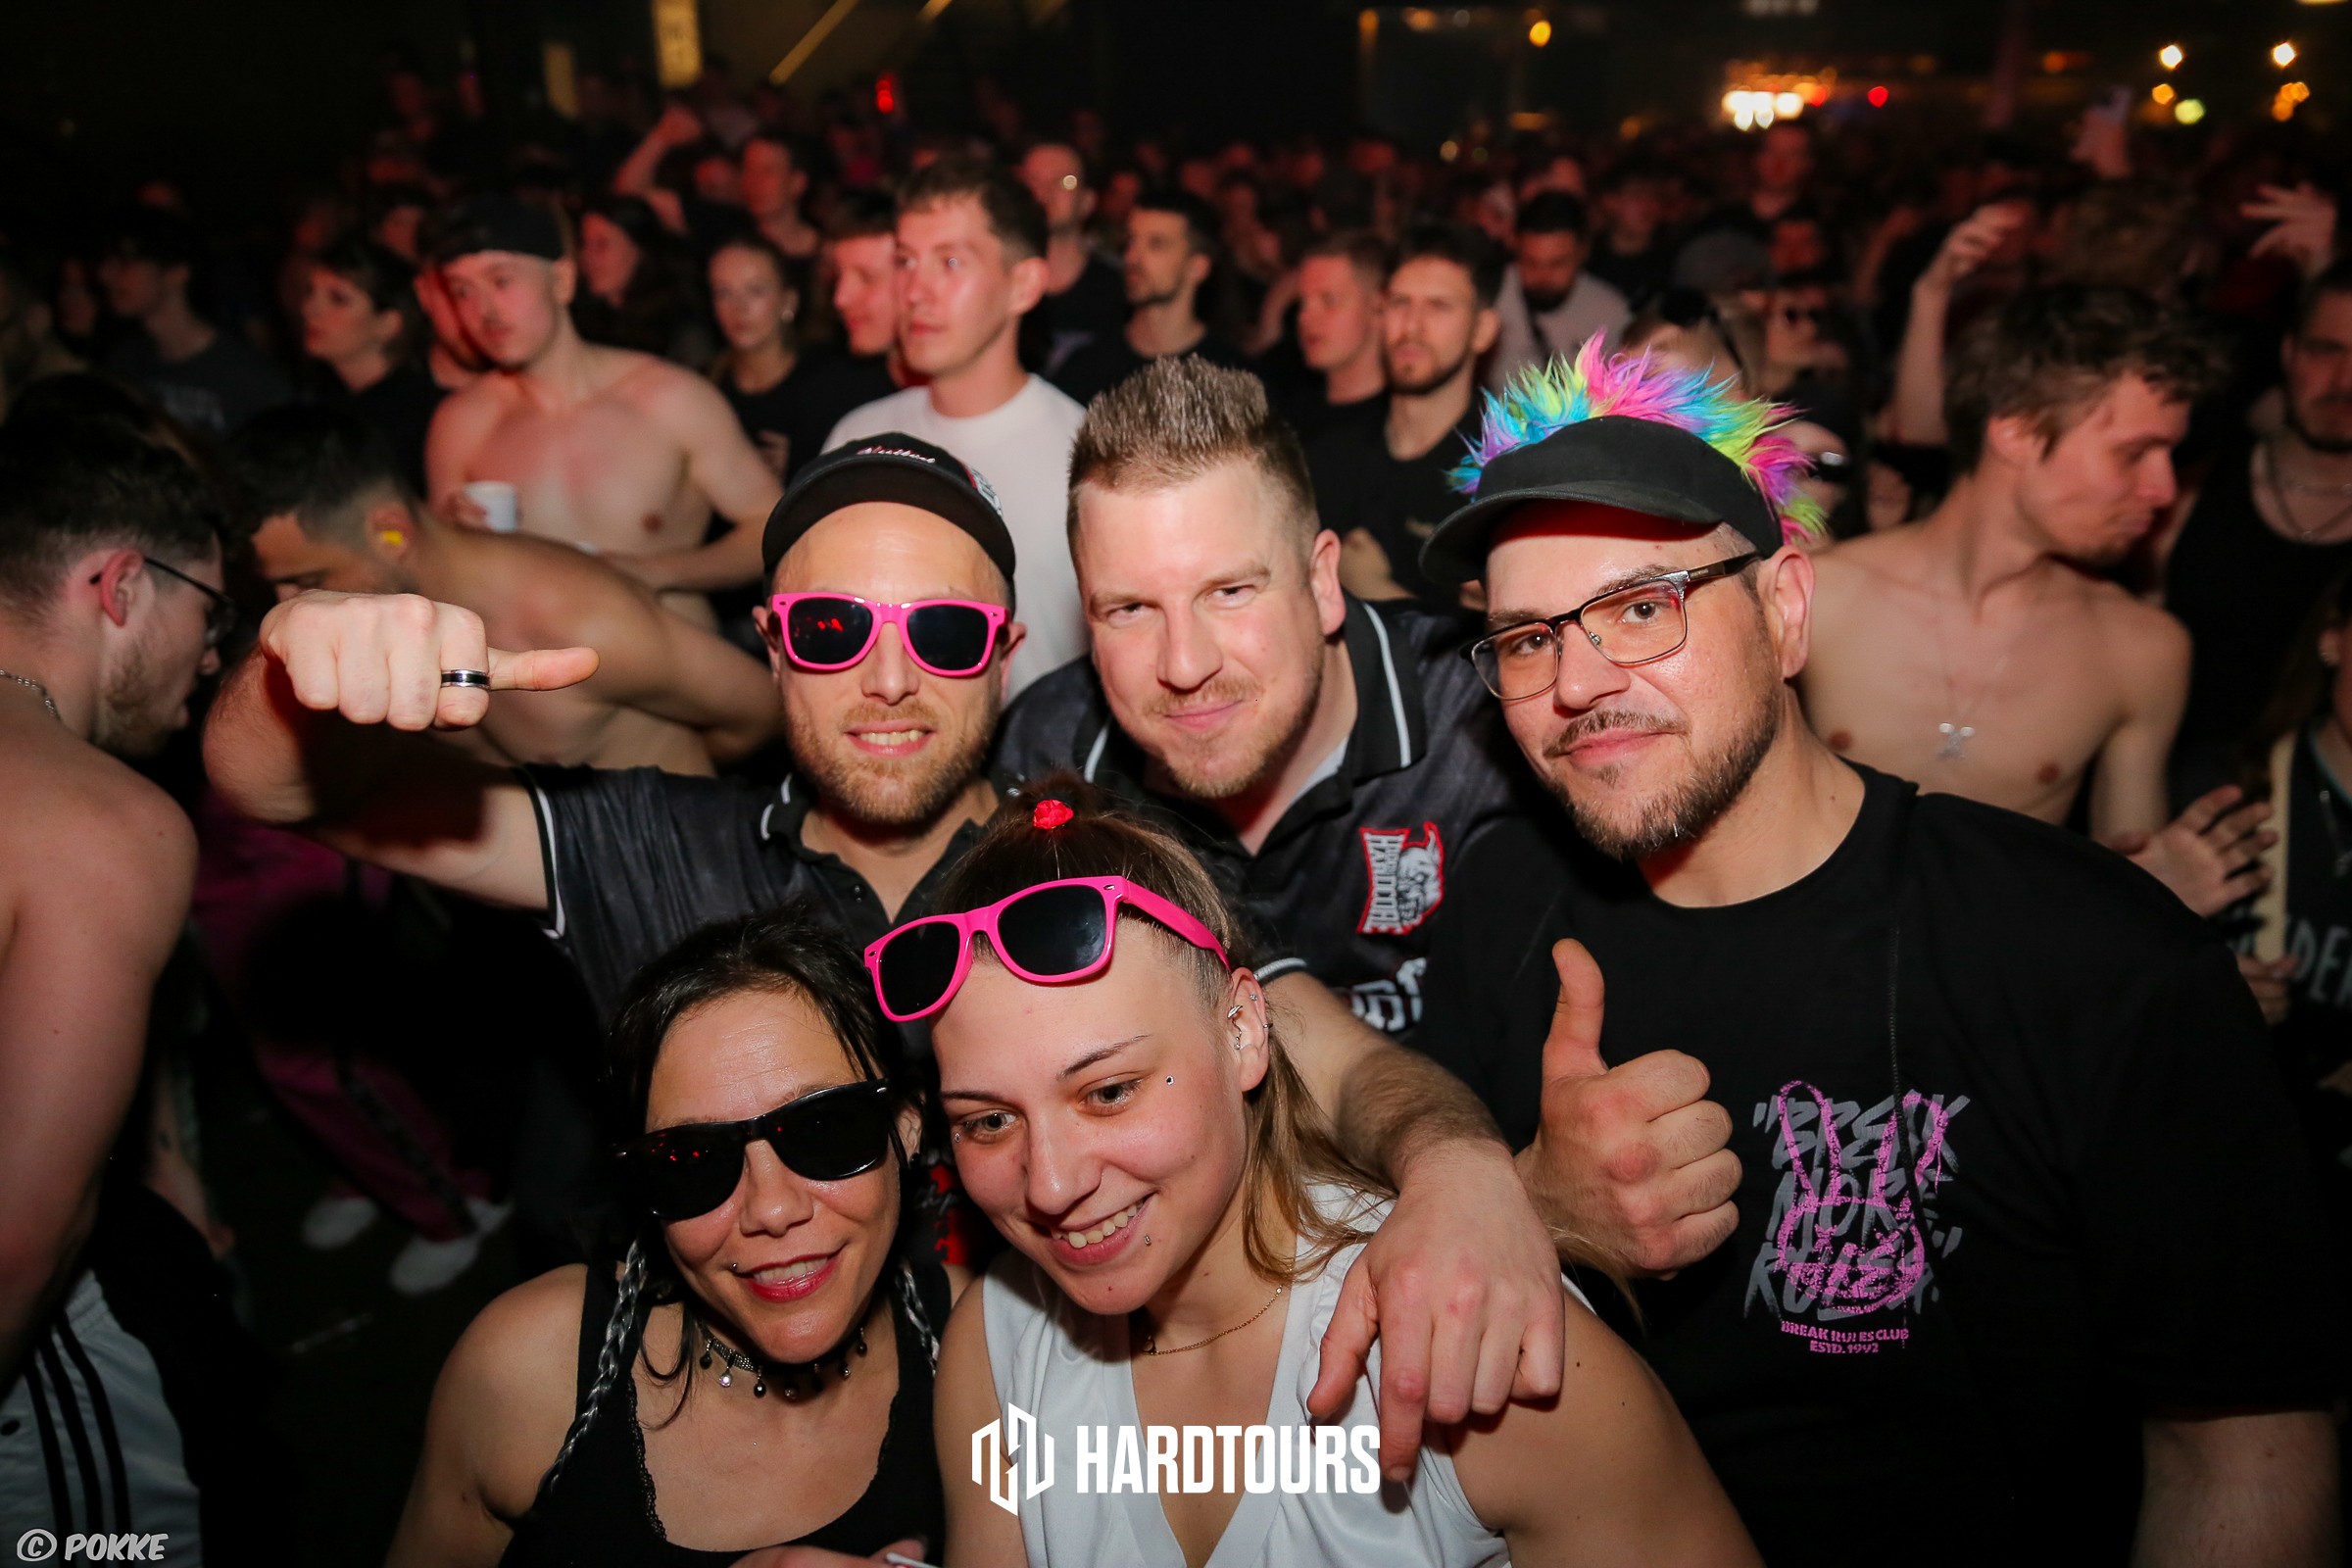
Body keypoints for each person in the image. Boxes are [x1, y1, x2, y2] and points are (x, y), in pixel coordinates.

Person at [204, 434, 1569, 1476]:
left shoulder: (1093, 856)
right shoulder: (654, 848)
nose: (891, 680)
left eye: (945, 633)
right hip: (748, 1434)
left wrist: (1456, 1166)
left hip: (1054, 1430)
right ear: (773, 644)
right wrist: (298, 669)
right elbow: (268, 788)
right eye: (835, 629)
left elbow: (1312, 1038)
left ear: (1006, 654)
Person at [1407, 344, 2341, 1563]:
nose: (1577, 682)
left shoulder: (2092, 954)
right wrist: (1532, 1208)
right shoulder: (1499, 907)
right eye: (1528, 637)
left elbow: (2244, 1443)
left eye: (1643, 607)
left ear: (1786, 609)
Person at [918, 792, 1759, 1567]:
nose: (1050, 1185)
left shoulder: (1479, 1341)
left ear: (1244, 1030)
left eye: (1108, 1092)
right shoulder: (997, 1349)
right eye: (988, 1121)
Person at [998, 357, 1555, 1037]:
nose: (1184, 665)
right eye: (1130, 609)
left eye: (1229, 592)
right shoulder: (1046, 757)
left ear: (1322, 583)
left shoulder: (1483, 726)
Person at [388, 909, 953, 1565]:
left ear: (907, 1125)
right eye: (693, 1160)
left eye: (826, 1129)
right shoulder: (528, 1375)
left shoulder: (996, 1352)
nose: (771, 1210)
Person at [1802, 286, 2270, 919]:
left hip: (2005, 977)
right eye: (2134, 453)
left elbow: (2124, 900)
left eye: (2170, 455)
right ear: (2018, 431)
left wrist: (2162, 910)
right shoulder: (1820, 598)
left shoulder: (2140, 648)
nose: (2163, 489)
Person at [0, 409, 230, 1553]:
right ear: (121, 584)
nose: (213, 653)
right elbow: (17, 1248)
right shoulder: (99, 824)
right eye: (210, 610)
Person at [228, 404, 782, 775]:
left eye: (308, 581)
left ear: (390, 532)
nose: (291, 605)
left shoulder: (573, 617)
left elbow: (761, 709)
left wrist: (653, 814)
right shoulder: (406, 630)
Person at [420, 195, 782, 625]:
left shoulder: (668, 398)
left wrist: (657, 571)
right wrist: (451, 543)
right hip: (533, 662)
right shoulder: (461, 424)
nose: (483, 311)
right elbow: (435, 581)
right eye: (462, 291)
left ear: (562, 281)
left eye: (501, 281)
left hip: (669, 655)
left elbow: (771, 528)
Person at [823, 155, 1087, 696]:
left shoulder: (1087, 458)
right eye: (905, 261)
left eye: (949, 262)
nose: (914, 291)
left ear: (1023, 285)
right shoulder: (858, 440)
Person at [2161, 259, 2352, 802]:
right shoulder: (2183, 492)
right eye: (2326, 350)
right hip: (2175, 799)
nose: (2345, 381)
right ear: (2288, 354)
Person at [1305, 221, 1501, 614]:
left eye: (1438, 306)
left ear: (1482, 330)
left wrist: (1377, 592)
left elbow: (1502, 640)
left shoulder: (1499, 477)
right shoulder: (1329, 455)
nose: (1411, 327)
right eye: (1399, 303)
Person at [97, 208, 291, 436]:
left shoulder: (249, 379)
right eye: (107, 262)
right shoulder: (123, 362)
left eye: (126, 263)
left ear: (177, 272)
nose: (105, 275)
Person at [1050, 188, 1247, 407]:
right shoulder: (1087, 367)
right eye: (1131, 241)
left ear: (1197, 267)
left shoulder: (1232, 380)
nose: (1132, 257)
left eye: (1156, 244)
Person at [301, 234, 443, 491]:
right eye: (311, 291)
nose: (310, 308)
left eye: (338, 299)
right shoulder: (324, 401)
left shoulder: (416, 417)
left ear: (389, 324)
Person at [708, 234, 832, 483]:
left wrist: (799, 464)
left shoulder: (828, 386)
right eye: (724, 293)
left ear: (789, 301)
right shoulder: (707, 390)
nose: (739, 308)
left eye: (755, 291)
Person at [1483, 192, 1630, 395]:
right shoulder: (1491, 295)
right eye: (1531, 262)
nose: (1543, 275)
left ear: (1583, 252)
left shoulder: (1611, 312)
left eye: (1557, 263)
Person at [1019, 140, 1127, 380]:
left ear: (1088, 201)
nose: (1044, 193)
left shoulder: (1120, 289)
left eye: (1065, 182)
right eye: (1033, 181)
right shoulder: (996, 285)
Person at [569, 194, 714, 368]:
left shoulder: (679, 331)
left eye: (601, 244)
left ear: (639, 249)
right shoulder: (581, 322)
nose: (588, 257)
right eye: (584, 244)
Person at [1281, 229, 1388, 445]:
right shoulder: (1284, 420)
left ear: (1378, 304)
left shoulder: (1402, 429)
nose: (1305, 318)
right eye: (1303, 303)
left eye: (1328, 301)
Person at [741, 130, 821, 262]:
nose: (754, 181)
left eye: (768, 171)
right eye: (749, 169)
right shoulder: (732, 250)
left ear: (797, 182)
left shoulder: (827, 254)